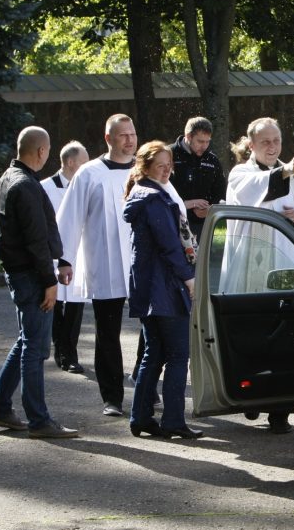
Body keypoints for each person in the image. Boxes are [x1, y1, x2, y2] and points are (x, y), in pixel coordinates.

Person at [225, 117, 294, 434]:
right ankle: (253, 398)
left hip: (286, 265)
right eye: (265, 142)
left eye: (277, 141)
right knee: (255, 334)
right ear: (251, 145)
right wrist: (285, 171)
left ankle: (280, 409)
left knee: (285, 336)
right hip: (250, 269)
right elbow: (256, 191)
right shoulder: (241, 174)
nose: (272, 147)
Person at [0, 126, 79, 438]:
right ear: (41, 152)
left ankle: (0, 407)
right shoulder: (25, 185)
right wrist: (49, 281)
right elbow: (37, 240)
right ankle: (38, 419)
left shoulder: (7, 178)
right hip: (30, 275)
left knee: (27, 341)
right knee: (35, 349)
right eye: (48, 150)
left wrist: (58, 261)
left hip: (20, 272)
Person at [56, 114, 137, 417]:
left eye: (132, 134)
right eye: (122, 135)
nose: (129, 140)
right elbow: (70, 217)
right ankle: (112, 396)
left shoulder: (146, 170)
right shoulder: (90, 173)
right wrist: (64, 259)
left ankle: (144, 383)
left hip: (144, 263)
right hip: (105, 262)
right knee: (108, 331)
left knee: (155, 329)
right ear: (108, 139)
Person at [123, 141, 201, 439]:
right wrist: (189, 278)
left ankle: (140, 417)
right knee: (179, 355)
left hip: (148, 288)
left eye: (170, 165)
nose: (168, 170)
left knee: (153, 354)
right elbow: (170, 246)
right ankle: (172, 420)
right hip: (164, 289)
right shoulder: (155, 199)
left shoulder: (143, 194)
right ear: (145, 168)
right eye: (161, 166)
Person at [41, 140, 90, 374]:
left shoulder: (85, 186)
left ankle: (70, 353)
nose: (87, 166)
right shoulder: (45, 188)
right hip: (54, 258)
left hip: (78, 256)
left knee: (75, 308)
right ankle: (61, 350)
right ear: (70, 162)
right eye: (83, 162)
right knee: (56, 307)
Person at [170, 116, 227, 242]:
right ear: (188, 136)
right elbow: (160, 192)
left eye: (208, 141)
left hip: (202, 225)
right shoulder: (169, 155)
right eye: (201, 141)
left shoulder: (212, 160)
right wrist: (187, 205)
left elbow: (221, 191)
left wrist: (210, 209)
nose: (205, 146)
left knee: (200, 261)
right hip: (172, 222)